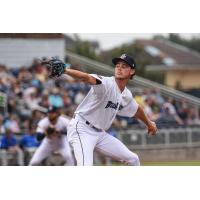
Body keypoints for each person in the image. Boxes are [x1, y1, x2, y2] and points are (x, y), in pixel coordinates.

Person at [47, 54, 158, 166]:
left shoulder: (126, 94)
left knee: (133, 159)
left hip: (100, 134)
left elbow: (136, 110)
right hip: (82, 129)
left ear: (132, 71)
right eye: (117, 65)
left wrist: (149, 123)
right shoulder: (106, 83)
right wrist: (66, 70)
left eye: (124, 66)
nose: (119, 68)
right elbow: (86, 77)